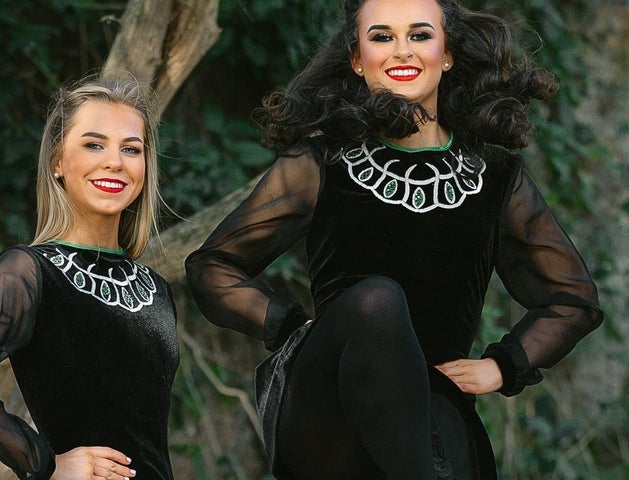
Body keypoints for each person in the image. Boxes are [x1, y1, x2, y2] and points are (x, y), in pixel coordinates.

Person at [183, 0, 603, 478]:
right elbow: (211, 267)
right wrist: (291, 325)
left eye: (419, 36)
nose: (402, 51)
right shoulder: (321, 160)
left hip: (432, 404)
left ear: (447, 54)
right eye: (382, 37)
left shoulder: (497, 175)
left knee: (436, 433)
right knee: (377, 300)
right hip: (329, 404)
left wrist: (503, 366)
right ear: (357, 59)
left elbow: (574, 300)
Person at [0, 74, 177, 480]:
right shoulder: (28, 272)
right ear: (57, 162)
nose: (115, 160)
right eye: (94, 144)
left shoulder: (156, 289)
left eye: (130, 149)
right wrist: (45, 462)